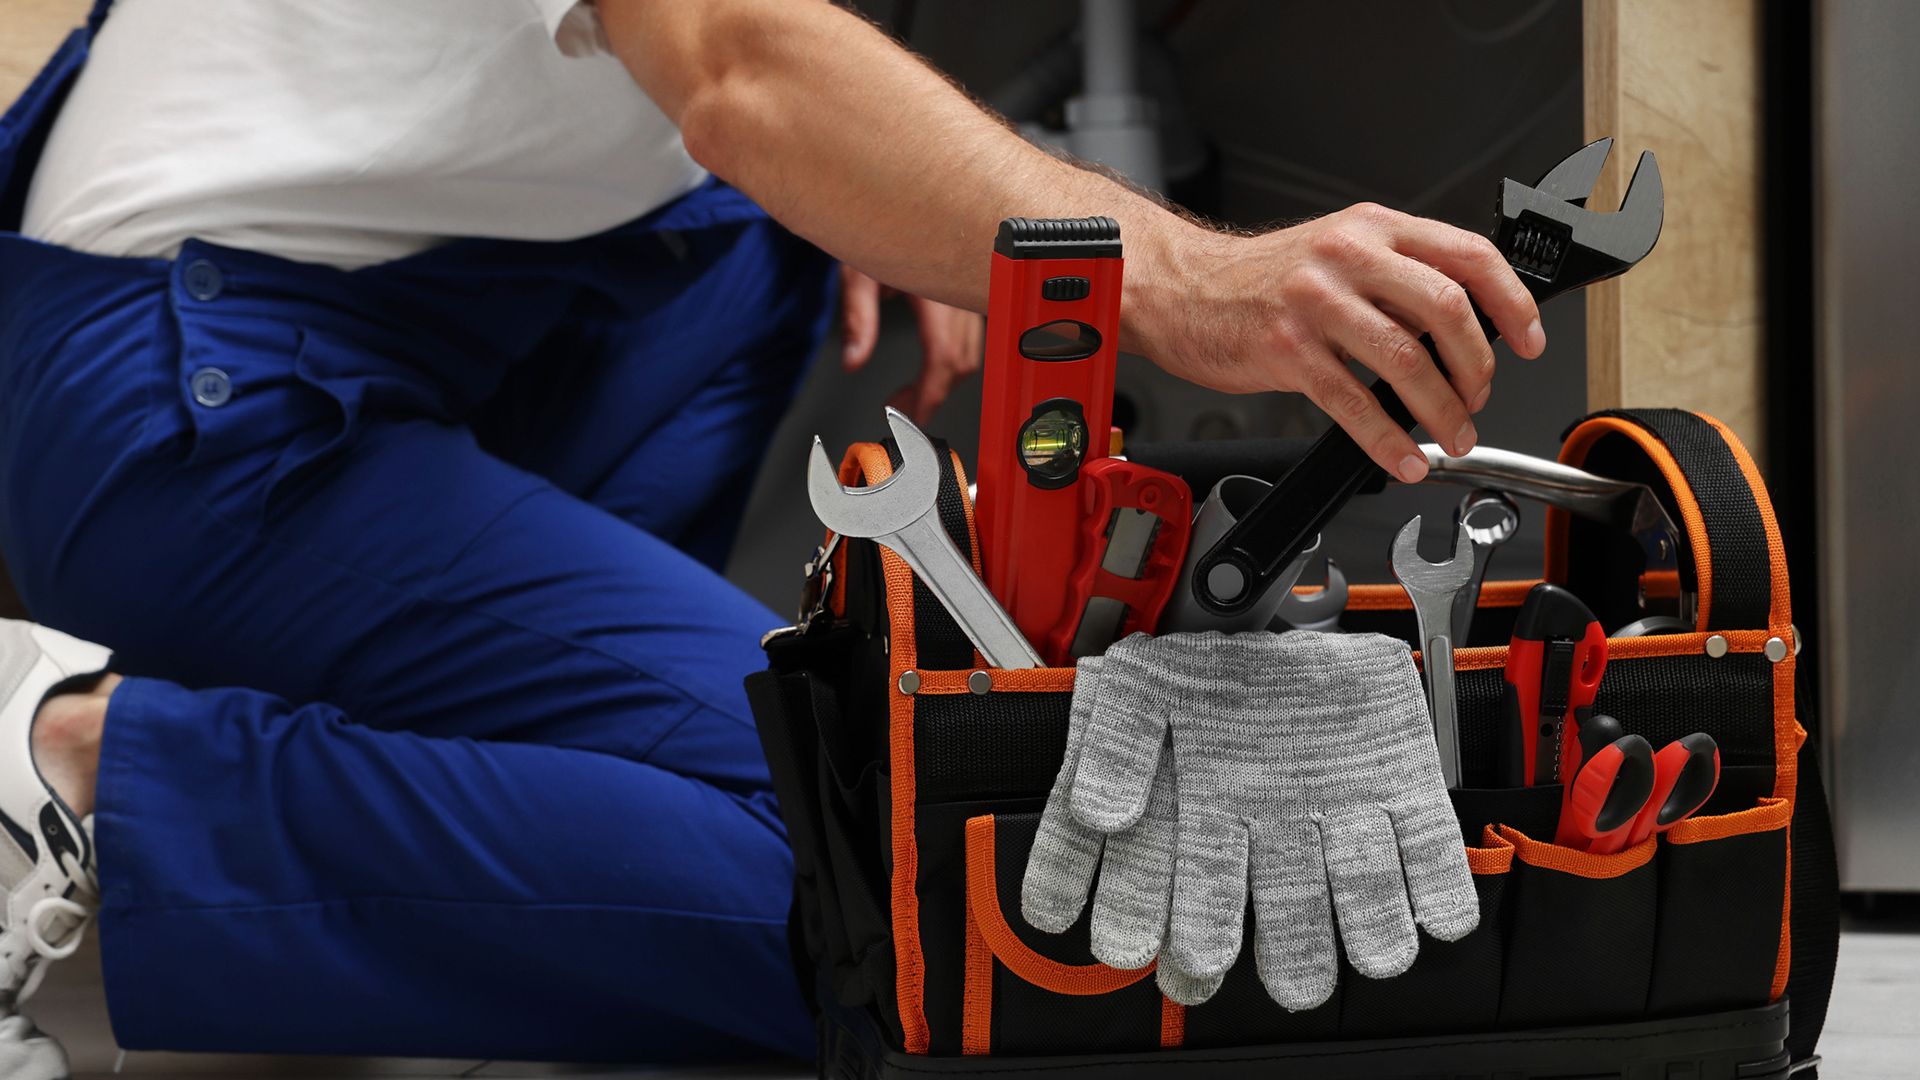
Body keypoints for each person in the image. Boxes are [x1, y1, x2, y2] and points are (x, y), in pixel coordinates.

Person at [0, 0, 1545, 1074]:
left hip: (359, 326)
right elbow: (744, 68)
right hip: (193, 399)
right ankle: (73, 774)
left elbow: (727, 87)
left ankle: (488, 801)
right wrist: (1193, 282)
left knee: (775, 238)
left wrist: (867, 202)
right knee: (891, 892)